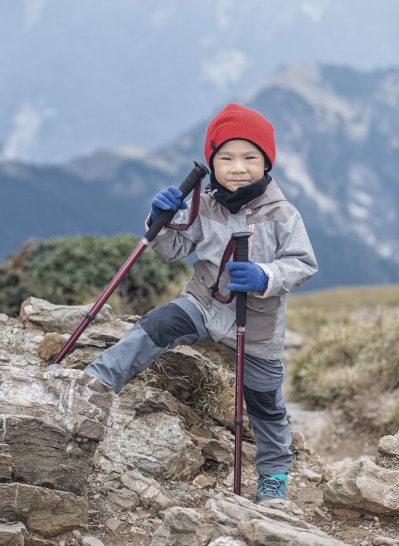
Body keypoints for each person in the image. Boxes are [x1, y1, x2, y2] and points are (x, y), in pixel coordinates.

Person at [84, 103, 318, 501]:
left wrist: (266, 276)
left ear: (267, 162)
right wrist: (158, 220)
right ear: (212, 162)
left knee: (264, 402)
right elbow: (174, 249)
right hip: (204, 304)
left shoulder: (283, 214)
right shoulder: (202, 202)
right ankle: (96, 380)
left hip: (256, 324)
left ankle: (275, 472)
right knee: (156, 325)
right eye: (225, 158)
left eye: (250, 157)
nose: (238, 168)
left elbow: (302, 264)